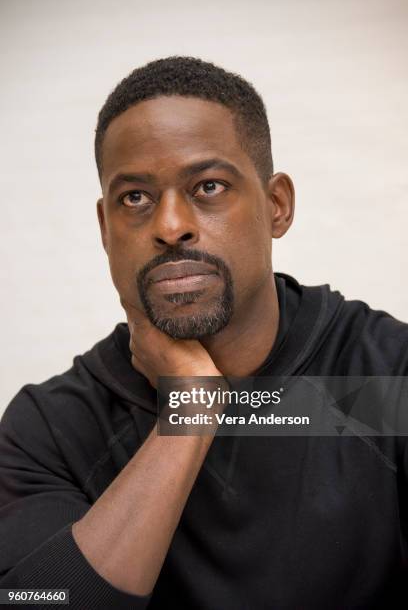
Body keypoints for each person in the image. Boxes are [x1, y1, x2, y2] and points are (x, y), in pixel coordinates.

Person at [0, 56, 407, 610]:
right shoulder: (50, 429)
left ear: (277, 205)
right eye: (135, 198)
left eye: (208, 186)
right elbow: (35, 602)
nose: (170, 227)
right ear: (105, 227)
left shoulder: (388, 377)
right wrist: (189, 415)